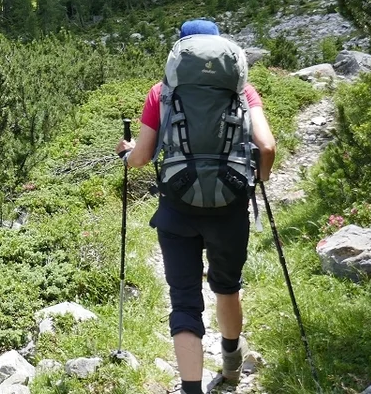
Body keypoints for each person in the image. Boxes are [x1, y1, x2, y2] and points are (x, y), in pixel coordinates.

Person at [116, 19, 276, 394]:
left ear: (180, 52)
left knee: (184, 299)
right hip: (230, 206)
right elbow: (267, 147)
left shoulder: (161, 92)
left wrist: (125, 156)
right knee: (227, 287)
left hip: (178, 207)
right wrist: (259, 178)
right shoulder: (244, 92)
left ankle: (190, 389)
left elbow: (140, 158)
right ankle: (232, 365)